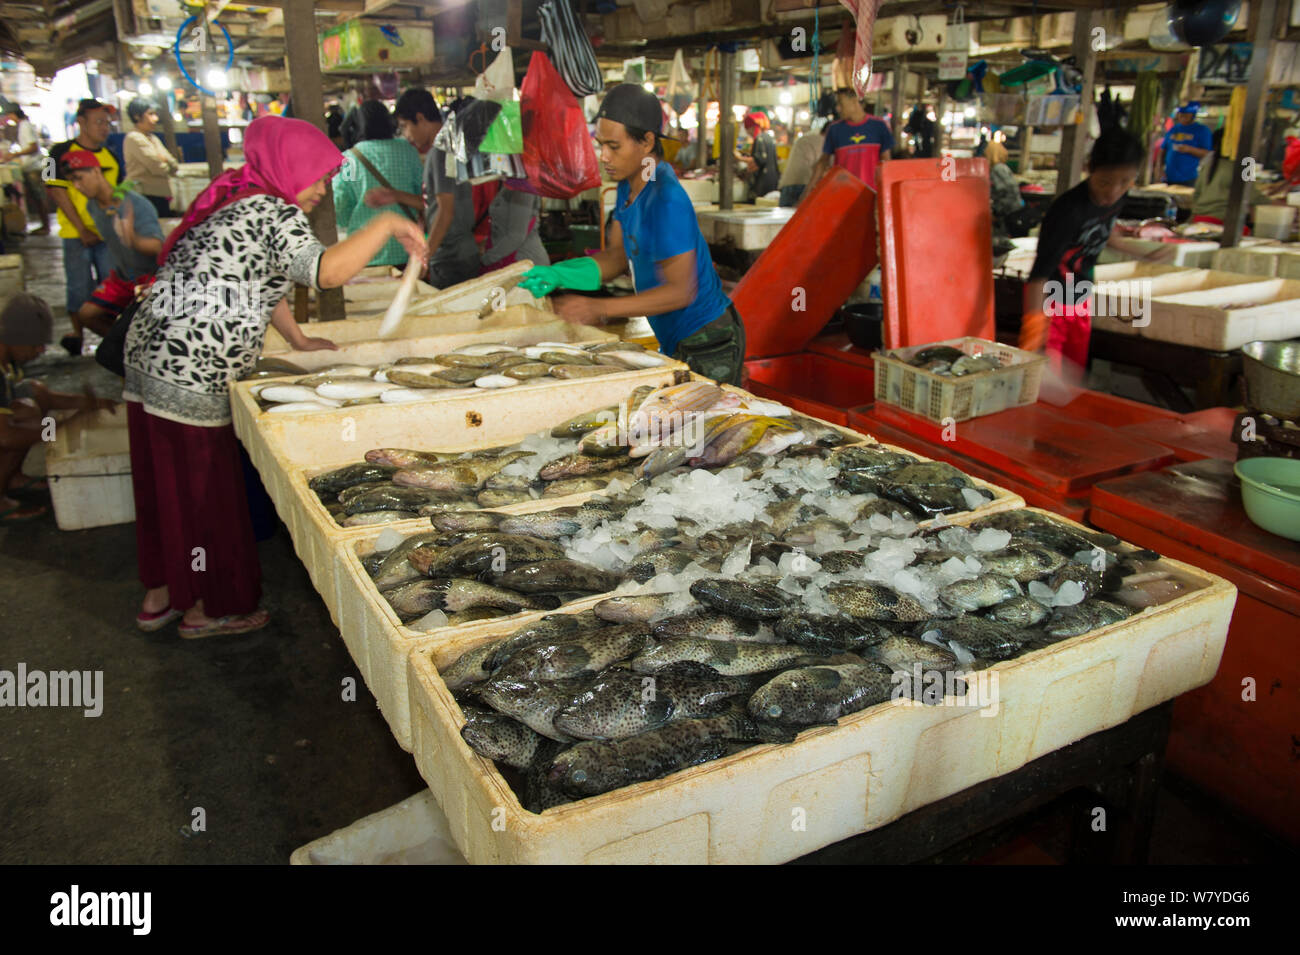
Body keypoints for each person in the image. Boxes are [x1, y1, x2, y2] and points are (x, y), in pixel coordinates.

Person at [122, 115, 426, 638]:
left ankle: (163, 595)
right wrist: (387, 224)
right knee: (204, 493)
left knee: (163, 486)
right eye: (315, 177)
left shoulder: (234, 200)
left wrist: (299, 340)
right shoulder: (271, 208)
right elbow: (323, 271)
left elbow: (260, 278)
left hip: (149, 360)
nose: (320, 190)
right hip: (197, 368)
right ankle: (213, 607)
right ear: (288, 169)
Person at [519, 84, 745, 385]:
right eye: (601, 145)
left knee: (705, 427)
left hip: (707, 337)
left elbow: (681, 291)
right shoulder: (628, 186)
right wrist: (560, 275)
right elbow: (615, 258)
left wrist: (598, 308)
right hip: (674, 334)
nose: (604, 157)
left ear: (647, 141)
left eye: (614, 147)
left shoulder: (666, 200)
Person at [1020, 128, 1146, 371]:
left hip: (1082, 302)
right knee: (1043, 386)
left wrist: (1141, 251)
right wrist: (1034, 333)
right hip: (1051, 307)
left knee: (1073, 384)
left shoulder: (1118, 198)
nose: (1113, 192)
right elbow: (1038, 276)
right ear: (1089, 168)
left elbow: (1099, 234)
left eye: (1124, 182)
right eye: (1105, 182)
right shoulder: (1067, 211)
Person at [0, 293, 115, 523]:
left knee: (33, 395)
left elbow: (46, 397)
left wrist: (91, 403)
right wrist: (61, 427)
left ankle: (10, 477)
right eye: (36, 344)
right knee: (25, 421)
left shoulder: (7, 360)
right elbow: (5, 438)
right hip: (3, 435)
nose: (41, 351)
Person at [59, 150, 163, 336]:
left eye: (79, 178)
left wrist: (133, 240)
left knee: (153, 327)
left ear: (96, 172)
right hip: (123, 277)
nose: (77, 186)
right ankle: (124, 349)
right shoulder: (92, 207)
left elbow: (158, 247)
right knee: (87, 314)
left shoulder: (134, 203)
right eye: (72, 182)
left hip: (151, 278)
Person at [47, 99, 121, 356]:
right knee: (77, 286)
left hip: (106, 234)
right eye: (99, 122)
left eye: (107, 123)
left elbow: (121, 190)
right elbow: (54, 190)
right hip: (74, 232)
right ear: (81, 122)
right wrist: (81, 228)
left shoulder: (111, 154)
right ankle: (76, 336)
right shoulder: (56, 151)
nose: (105, 128)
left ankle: (110, 337)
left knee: (109, 287)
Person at [332, 101, 423, 268]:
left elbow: (340, 206)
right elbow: (424, 198)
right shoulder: (408, 151)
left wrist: (349, 221)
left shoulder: (349, 160)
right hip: (408, 250)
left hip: (365, 252)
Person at [804, 88, 893, 197]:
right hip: (841, 194)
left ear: (854, 101)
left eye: (840, 103)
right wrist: (807, 192)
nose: (837, 108)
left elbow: (886, 162)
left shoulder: (879, 126)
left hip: (871, 194)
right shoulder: (834, 129)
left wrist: (886, 193)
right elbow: (823, 162)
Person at [123, 98, 179, 219]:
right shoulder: (135, 138)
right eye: (150, 114)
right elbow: (158, 168)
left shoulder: (153, 138)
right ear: (137, 116)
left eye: (155, 114)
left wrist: (165, 160)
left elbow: (174, 165)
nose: (155, 119)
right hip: (144, 195)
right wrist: (164, 162)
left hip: (160, 195)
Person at [482, 183, 549, 273]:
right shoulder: (509, 185)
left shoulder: (522, 189)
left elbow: (516, 236)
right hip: (512, 260)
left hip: (524, 263)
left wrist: (486, 259)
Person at [5, 104, 51, 234]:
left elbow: (33, 147)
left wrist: (15, 154)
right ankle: (44, 225)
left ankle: (45, 226)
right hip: (31, 166)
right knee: (37, 197)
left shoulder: (25, 126)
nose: (9, 118)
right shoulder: (24, 125)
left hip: (33, 167)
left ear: (14, 114)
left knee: (39, 197)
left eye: (9, 115)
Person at [1161, 103, 1213, 186]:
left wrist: (1189, 149)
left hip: (1189, 178)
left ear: (1193, 115)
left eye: (1186, 114)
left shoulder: (1202, 130)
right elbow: (1163, 150)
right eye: (1181, 114)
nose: (1182, 116)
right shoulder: (1173, 129)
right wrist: (1159, 170)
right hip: (1168, 177)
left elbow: (1207, 154)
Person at [778, 125, 826, 207]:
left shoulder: (805, 138)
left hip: (788, 184)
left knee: (787, 218)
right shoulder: (825, 142)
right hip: (806, 185)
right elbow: (821, 167)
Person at [738, 112, 779, 202]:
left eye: (747, 129)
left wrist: (738, 158)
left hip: (763, 182)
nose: (748, 132)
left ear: (752, 127)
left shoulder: (759, 139)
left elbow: (759, 160)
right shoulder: (769, 138)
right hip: (772, 180)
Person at [985, 141, 1025, 230]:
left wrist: (996, 212)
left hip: (1009, 213)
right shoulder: (1001, 167)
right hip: (1011, 211)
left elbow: (1009, 191)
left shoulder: (998, 169)